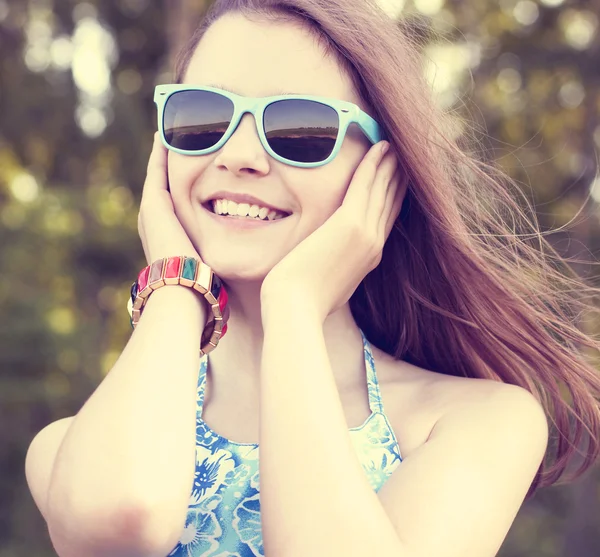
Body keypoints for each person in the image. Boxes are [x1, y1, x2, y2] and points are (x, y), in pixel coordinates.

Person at [25, 0, 600, 556]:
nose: (239, 155)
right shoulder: (75, 448)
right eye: (202, 115)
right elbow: (120, 520)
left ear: (384, 171)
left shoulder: (476, 422)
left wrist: (294, 307)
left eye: (301, 128)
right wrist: (176, 284)